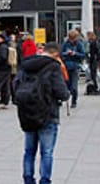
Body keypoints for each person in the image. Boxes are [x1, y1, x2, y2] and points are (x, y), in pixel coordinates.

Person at [14, 42, 69, 184]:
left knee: (29, 151)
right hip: (48, 113)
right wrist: (66, 94)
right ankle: (44, 180)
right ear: (56, 54)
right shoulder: (53, 67)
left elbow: (15, 85)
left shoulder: (26, 64)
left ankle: (28, 178)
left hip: (27, 112)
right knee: (47, 152)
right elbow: (61, 92)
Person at [60, 30, 86, 108]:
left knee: (74, 86)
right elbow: (60, 53)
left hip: (75, 66)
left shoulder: (79, 44)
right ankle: (63, 98)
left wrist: (75, 54)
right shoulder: (65, 44)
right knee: (65, 85)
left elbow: (83, 55)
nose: (72, 40)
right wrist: (66, 53)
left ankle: (74, 101)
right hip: (66, 66)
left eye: (73, 38)